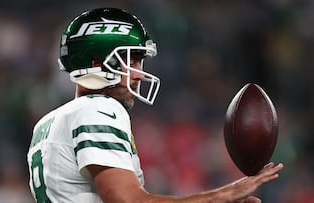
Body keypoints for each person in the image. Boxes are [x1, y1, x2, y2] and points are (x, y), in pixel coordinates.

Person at [27, 7, 284, 203]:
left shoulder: (48, 123)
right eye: (131, 60)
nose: (139, 74)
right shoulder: (98, 109)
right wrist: (225, 193)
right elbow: (128, 201)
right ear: (96, 63)